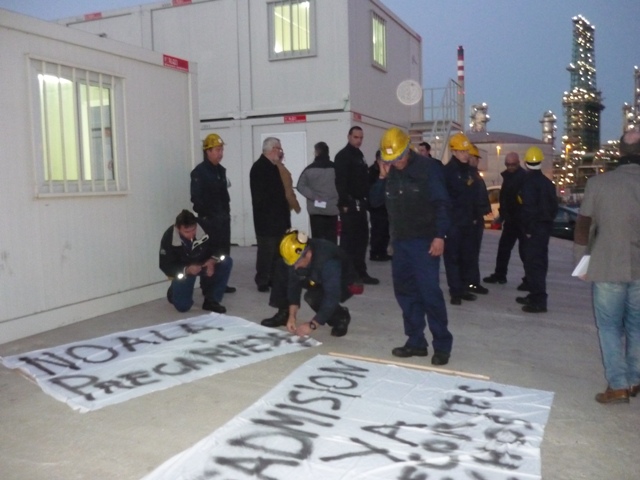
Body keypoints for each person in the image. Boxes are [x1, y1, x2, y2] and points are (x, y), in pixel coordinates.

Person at [370, 127, 453, 366]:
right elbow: (374, 201)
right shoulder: (390, 172)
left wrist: (440, 236)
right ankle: (416, 342)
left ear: (408, 149)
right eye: (390, 159)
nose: (395, 162)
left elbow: (442, 204)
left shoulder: (428, 169)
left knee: (430, 294)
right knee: (406, 294)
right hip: (401, 243)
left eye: (398, 157)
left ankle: (442, 345)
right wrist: (382, 177)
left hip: (425, 242)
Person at [573, 129, 640, 404]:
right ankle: (635, 379)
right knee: (637, 326)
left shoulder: (599, 183)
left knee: (610, 327)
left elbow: (584, 227)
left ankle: (618, 384)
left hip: (606, 265)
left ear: (620, 153)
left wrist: (582, 263)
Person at [260, 230, 358, 337]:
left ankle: (340, 317)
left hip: (343, 282)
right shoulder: (298, 254)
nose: (295, 267)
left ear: (308, 254)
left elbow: (332, 296)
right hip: (314, 272)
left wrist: (312, 325)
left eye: (297, 263)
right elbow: (294, 284)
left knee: (313, 297)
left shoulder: (329, 262)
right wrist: (292, 315)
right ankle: (285, 314)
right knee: (282, 266)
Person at [159, 209, 232, 313]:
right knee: (183, 307)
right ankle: (173, 291)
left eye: (193, 229)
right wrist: (187, 270)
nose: (191, 234)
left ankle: (212, 300)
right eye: (186, 232)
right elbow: (165, 265)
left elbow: (221, 246)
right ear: (178, 228)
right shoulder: (169, 236)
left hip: (205, 262)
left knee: (226, 261)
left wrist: (213, 260)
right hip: (185, 269)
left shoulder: (207, 226)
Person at [190, 133, 235, 294]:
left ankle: (221, 282)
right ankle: (207, 285)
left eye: (221, 149)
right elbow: (196, 199)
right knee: (209, 253)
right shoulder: (199, 172)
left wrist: (225, 214)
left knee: (223, 252)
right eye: (217, 149)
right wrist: (208, 215)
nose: (220, 153)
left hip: (223, 219)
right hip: (209, 221)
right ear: (207, 151)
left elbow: (224, 196)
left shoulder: (220, 171)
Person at [334, 126, 379, 285]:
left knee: (361, 239)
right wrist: (345, 203)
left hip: (361, 204)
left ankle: (361, 272)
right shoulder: (343, 156)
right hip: (350, 205)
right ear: (349, 137)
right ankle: (347, 275)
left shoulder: (359, 155)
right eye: (356, 137)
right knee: (349, 241)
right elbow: (340, 181)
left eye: (361, 137)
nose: (359, 140)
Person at [516, 146, 558, 313]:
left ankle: (538, 300)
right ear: (541, 161)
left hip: (533, 229)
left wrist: (528, 229)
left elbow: (528, 208)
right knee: (540, 263)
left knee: (534, 265)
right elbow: (554, 208)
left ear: (526, 163)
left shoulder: (528, 182)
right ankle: (534, 295)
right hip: (544, 228)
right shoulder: (548, 183)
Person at [249, 137, 291, 292]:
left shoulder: (274, 167)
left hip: (278, 218)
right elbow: (261, 197)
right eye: (279, 149)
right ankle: (262, 280)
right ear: (272, 149)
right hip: (266, 220)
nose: (280, 152)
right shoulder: (259, 168)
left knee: (277, 252)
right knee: (266, 252)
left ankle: (273, 278)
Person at [442, 132, 478, 305]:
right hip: (453, 223)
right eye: (462, 151)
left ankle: (463, 288)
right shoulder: (447, 172)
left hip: (467, 222)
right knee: (453, 259)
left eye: (467, 151)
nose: (465, 154)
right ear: (454, 151)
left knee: (466, 257)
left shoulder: (470, 172)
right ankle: (455, 292)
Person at [483, 152, 528, 287]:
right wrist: (502, 215)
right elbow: (505, 199)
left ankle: (528, 279)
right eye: (508, 164)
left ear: (518, 163)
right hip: (511, 220)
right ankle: (500, 274)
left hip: (520, 220)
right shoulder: (510, 177)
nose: (510, 167)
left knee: (524, 251)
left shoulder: (521, 178)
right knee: (504, 248)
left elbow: (517, 199)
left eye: (512, 164)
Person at [296, 141, 339, 243]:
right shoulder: (336, 168)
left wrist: (314, 196)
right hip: (332, 208)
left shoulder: (309, 169)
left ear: (316, 152)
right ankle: (331, 258)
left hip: (316, 210)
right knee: (331, 239)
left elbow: (300, 186)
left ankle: (318, 258)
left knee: (317, 240)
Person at [464, 143, 491, 294]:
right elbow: (473, 199)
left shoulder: (473, 175)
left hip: (474, 219)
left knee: (472, 253)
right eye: (476, 158)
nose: (477, 161)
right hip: (472, 221)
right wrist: (475, 216)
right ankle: (471, 282)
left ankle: (471, 281)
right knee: (471, 253)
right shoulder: (470, 176)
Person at [367, 150, 391, 261]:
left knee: (385, 231)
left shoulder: (390, 171)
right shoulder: (372, 171)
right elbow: (372, 192)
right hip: (377, 207)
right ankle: (375, 252)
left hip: (386, 205)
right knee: (378, 230)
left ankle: (382, 251)